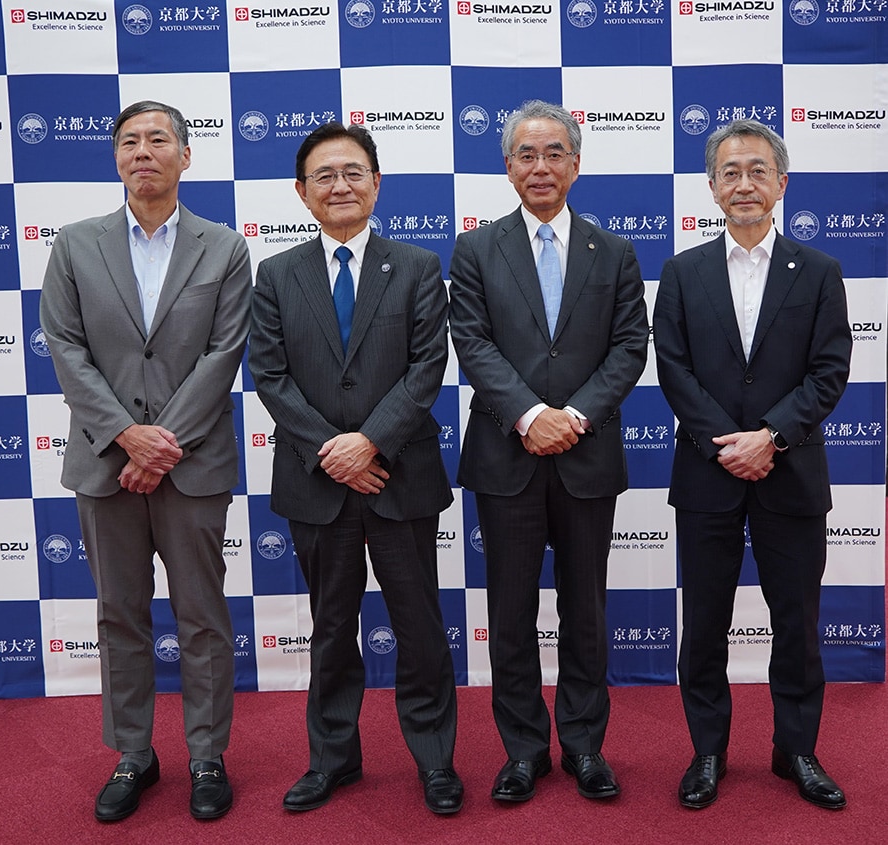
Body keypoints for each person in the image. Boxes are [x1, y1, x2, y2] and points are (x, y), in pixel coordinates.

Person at [40, 100, 251, 822]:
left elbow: (223, 353)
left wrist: (163, 443)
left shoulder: (223, 247)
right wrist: (128, 436)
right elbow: (65, 349)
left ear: (185, 156)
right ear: (116, 158)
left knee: (203, 617)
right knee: (120, 616)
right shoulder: (74, 244)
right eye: (128, 141)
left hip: (191, 465)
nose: (142, 151)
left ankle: (205, 755)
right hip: (106, 463)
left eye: (158, 139)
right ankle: (134, 752)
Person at [247, 122, 462, 815]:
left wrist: (369, 441)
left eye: (353, 172)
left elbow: (427, 367)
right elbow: (271, 376)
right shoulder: (277, 273)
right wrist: (332, 450)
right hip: (317, 483)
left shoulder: (420, 266)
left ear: (376, 183)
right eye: (324, 175)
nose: (340, 185)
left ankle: (434, 758)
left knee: (421, 629)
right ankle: (332, 759)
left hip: (401, 476)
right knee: (331, 628)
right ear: (303, 193)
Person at [448, 100, 648, 803]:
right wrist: (531, 415)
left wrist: (577, 415)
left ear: (575, 163)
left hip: (587, 457)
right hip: (508, 455)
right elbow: (471, 341)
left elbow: (630, 346)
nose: (541, 166)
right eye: (526, 155)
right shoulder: (475, 249)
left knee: (586, 611)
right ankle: (525, 749)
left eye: (554, 153)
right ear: (508, 166)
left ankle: (586, 746)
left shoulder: (613, 250)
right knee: (510, 612)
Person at [653, 119, 851, 811]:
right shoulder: (681, 273)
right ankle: (708, 749)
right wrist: (726, 442)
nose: (744, 183)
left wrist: (771, 437)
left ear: (781, 183)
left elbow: (829, 373)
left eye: (757, 170)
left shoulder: (820, 271)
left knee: (796, 621)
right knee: (703, 622)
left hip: (790, 473)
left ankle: (795, 747)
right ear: (711, 187)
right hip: (707, 475)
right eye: (730, 171)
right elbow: (674, 371)